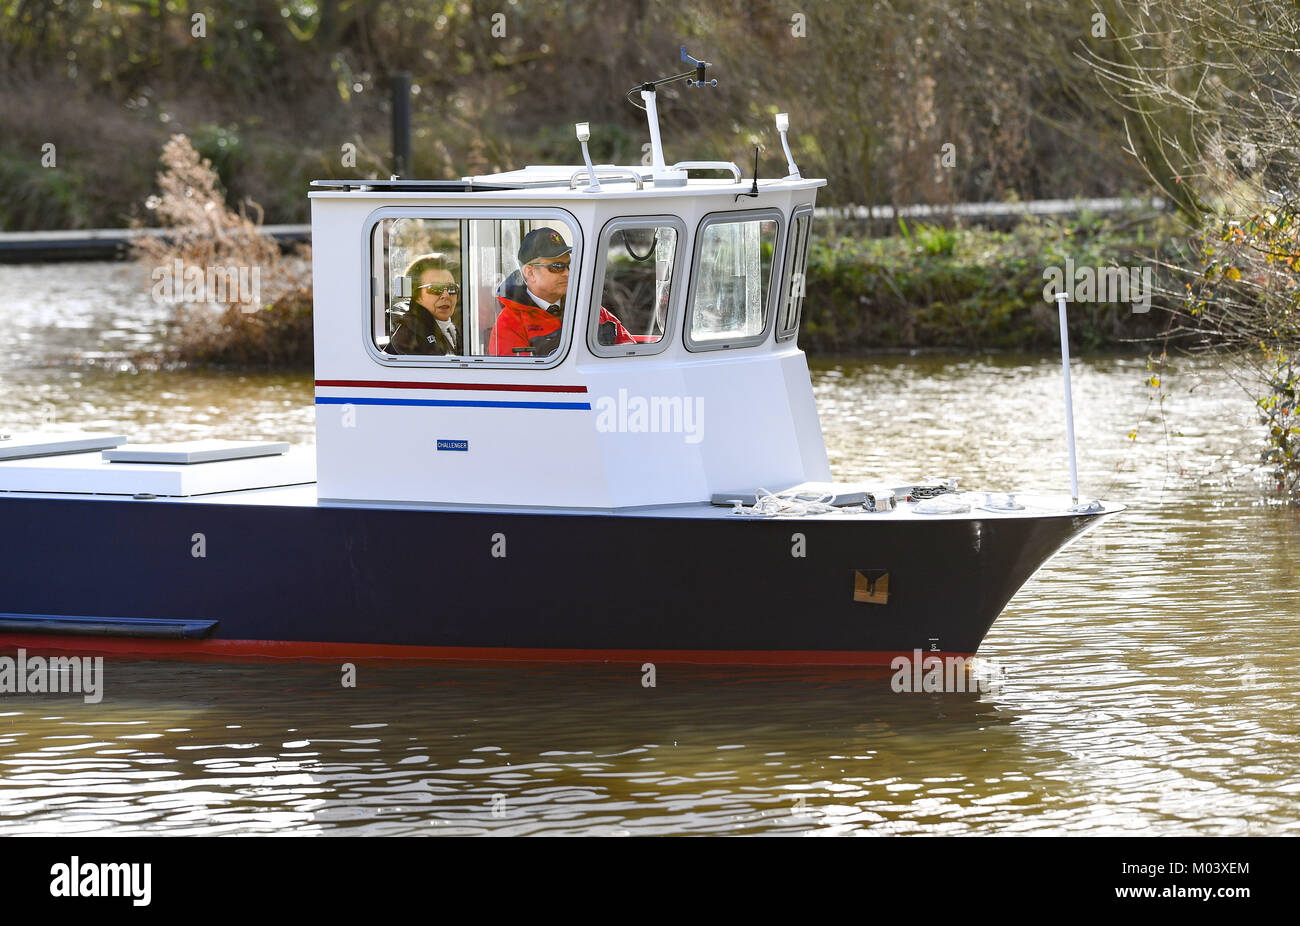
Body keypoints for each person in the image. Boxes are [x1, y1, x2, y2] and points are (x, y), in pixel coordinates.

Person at [488, 227, 634, 356]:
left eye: (569, 265)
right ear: (530, 273)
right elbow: (520, 380)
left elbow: (629, 351)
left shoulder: (589, 308)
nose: (567, 273)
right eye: (557, 266)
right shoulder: (509, 324)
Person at [384, 253, 462, 356]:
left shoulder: (452, 329)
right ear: (415, 294)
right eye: (436, 288)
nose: (446, 295)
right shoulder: (410, 334)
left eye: (452, 288)